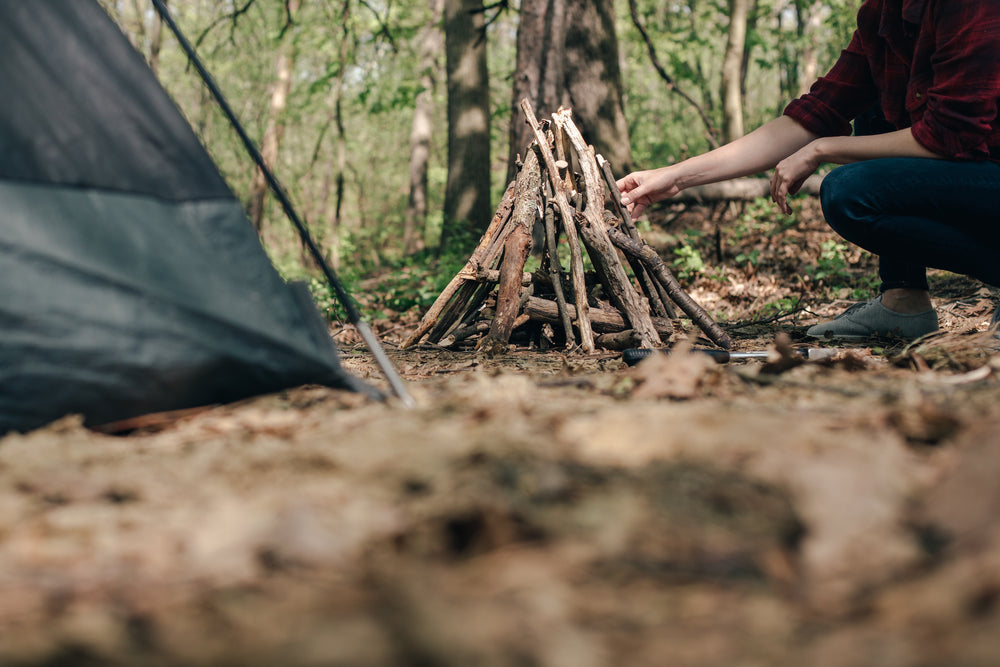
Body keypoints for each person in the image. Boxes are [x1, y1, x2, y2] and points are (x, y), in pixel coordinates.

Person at [617, 0, 1000, 340]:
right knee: (876, 110)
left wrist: (824, 149)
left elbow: (950, 135)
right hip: (970, 173)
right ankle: (904, 302)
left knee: (850, 193)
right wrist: (675, 175)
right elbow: (814, 115)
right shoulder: (880, 15)